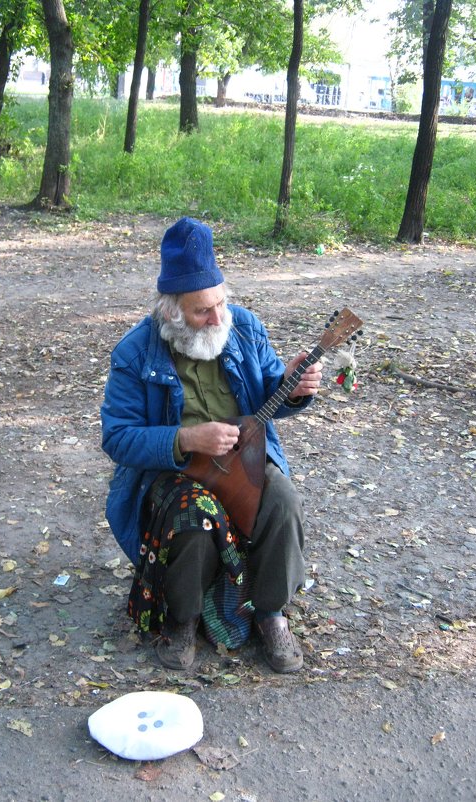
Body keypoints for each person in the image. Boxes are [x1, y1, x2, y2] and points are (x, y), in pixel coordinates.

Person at [100, 217, 323, 673]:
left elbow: (266, 396)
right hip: (174, 472)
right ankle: (182, 620)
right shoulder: (134, 353)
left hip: (243, 460)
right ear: (171, 311)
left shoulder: (243, 327)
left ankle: (271, 614)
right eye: (202, 310)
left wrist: (293, 387)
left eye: (221, 303)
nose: (217, 318)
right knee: (194, 514)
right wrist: (184, 438)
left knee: (282, 500)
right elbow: (117, 437)